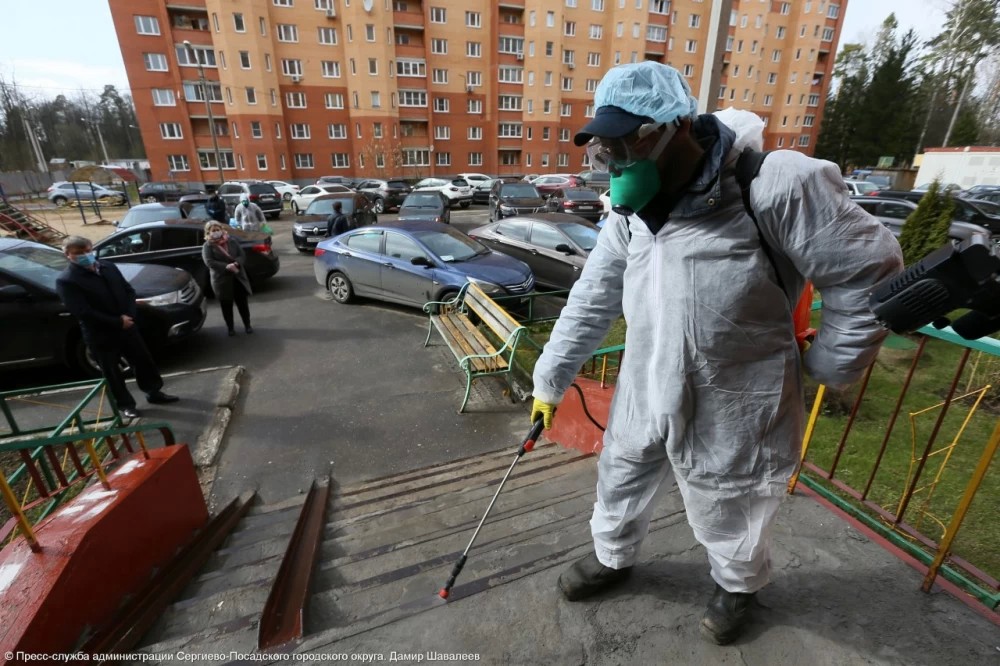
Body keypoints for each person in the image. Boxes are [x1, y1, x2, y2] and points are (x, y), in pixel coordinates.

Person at [529, 61, 903, 645]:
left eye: (631, 140)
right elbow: (592, 296)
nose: (619, 158)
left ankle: (738, 585)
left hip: (736, 393)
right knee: (620, 474)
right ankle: (613, 555)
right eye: (608, 146)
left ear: (678, 126)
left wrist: (832, 365)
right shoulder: (630, 214)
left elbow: (866, 274)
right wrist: (549, 379)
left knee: (733, 497)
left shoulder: (773, 186)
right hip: (644, 383)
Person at [55, 236, 179, 420]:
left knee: (143, 361)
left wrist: (129, 316)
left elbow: (128, 290)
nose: (86, 255)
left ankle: (154, 392)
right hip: (101, 334)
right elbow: (83, 311)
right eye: (79, 253)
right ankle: (126, 405)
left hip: (127, 326)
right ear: (68, 255)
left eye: (88, 250)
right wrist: (116, 321)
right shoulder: (67, 280)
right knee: (112, 371)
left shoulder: (107, 267)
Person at [202, 220, 254, 336]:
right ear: (208, 233)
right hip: (222, 280)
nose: (216, 232)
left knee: (242, 304)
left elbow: (242, 255)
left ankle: (247, 325)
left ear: (222, 229)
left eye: (217, 229)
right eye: (213, 231)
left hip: (237, 277)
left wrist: (236, 263)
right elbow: (209, 262)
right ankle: (230, 328)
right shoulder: (207, 246)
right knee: (226, 306)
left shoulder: (231, 241)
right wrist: (226, 266)